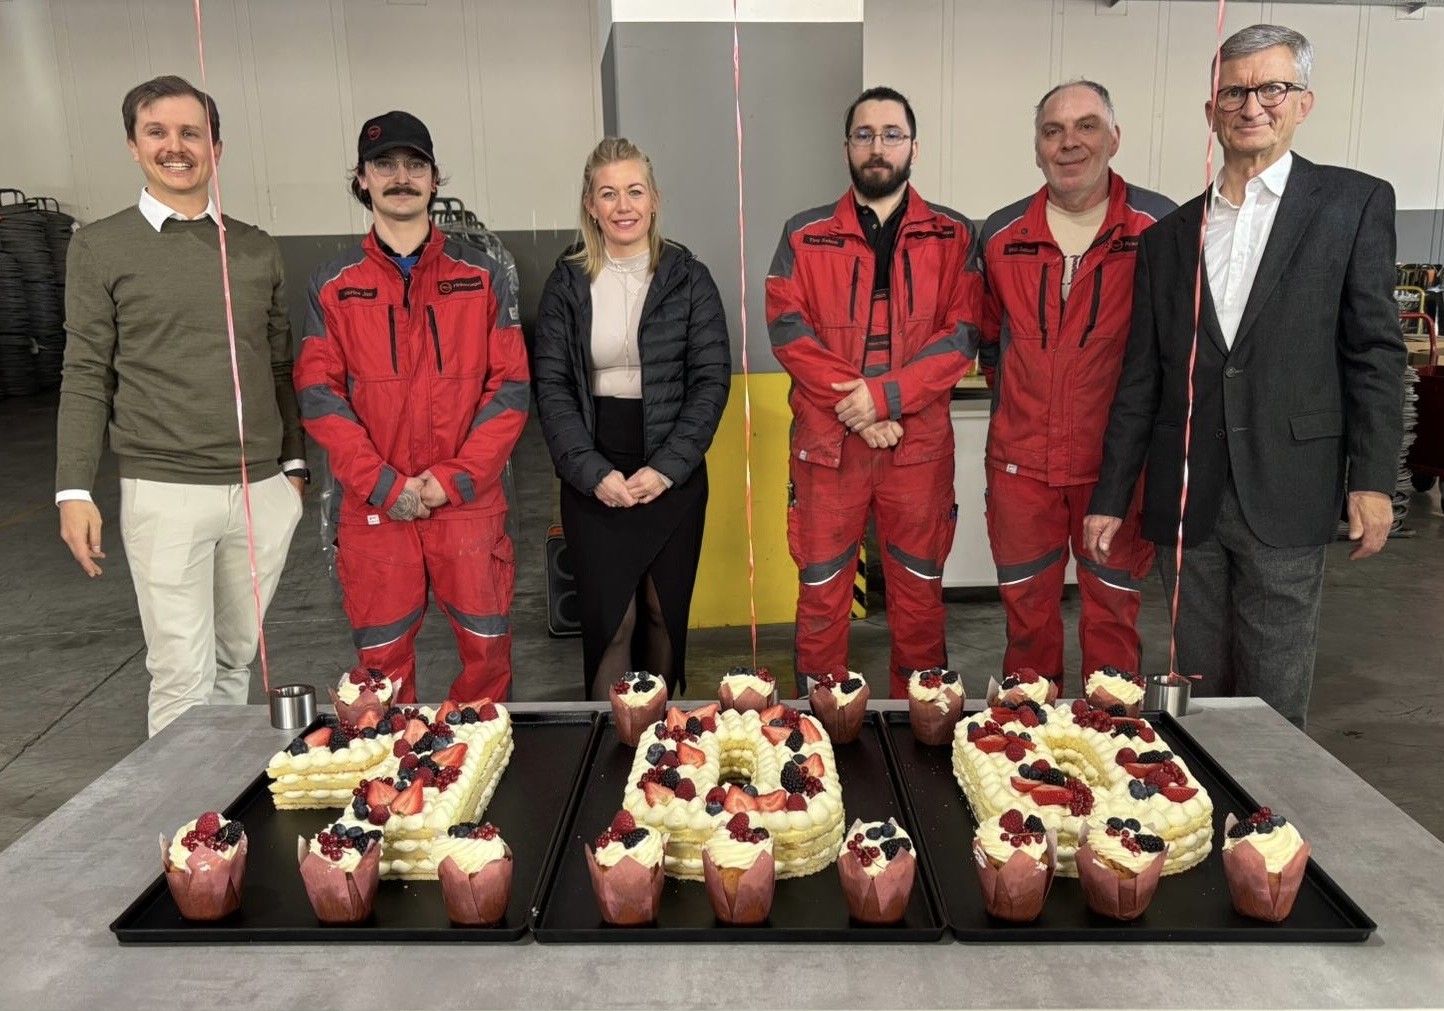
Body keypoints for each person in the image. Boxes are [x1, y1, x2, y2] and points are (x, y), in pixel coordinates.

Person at [1084, 25, 1404, 728]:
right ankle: (1199, 811)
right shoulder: (1169, 238)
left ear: (1303, 102)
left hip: (1288, 487)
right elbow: (1142, 378)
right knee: (1194, 682)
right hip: (1188, 493)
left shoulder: (1350, 205)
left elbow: (1375, 354)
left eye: (1272, 88)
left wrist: (1374, 480)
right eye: (1234, 90)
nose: (1251, 104)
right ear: (1211, 109)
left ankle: (1265, 822)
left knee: (1273, 690)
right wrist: (1111, 494)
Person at [56, 75, 305, 736]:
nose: (176, 146)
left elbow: (280, 362)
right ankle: (185, 832)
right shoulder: (101, 246)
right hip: (165, 491)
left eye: (191, 133)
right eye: (157, 132)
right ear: (134, 147)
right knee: (181, 673)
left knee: (234, 660)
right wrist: (73, 488)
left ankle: (218, 820)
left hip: (261, 491)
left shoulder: (254, 248)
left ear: (215, 148)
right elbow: (84, 369)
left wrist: (294, 466)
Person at [295, 111, 529, 704]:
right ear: (362, 178)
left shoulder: (482, 276)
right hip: (378, 511)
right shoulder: (332, 285)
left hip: (466, 505)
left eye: (415, 165)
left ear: (433, 178)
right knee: (382, 672)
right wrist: (380, 483)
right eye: (385, 165)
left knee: (485, 656)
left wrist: (451, 481)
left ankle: (472, 771)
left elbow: (510, 388)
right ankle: (397, 784)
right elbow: (319, 395)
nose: (401, 177)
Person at [766, 86, 982, 699]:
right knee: (821, 597)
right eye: (865, 134)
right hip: (828, 448)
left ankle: (920, 731)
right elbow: (789, 332)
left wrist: (882, 400)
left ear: (914, 145)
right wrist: (863, 413)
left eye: (891, 133)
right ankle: (819, 734)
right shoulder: (803, 235)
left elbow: (961, 337)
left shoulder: (953, 235)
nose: (878, 146)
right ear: (846, 149)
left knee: (919, 600)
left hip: (915, 448)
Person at [978, 81, 1175, 692]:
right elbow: (990, 341)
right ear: (1037, 149)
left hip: (1112, 467)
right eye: (1053, 131)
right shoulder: (1000, 234)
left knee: (1113, 613)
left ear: (1114, 138)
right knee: (1026, 618)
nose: (1070, 143)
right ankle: (1023, 751)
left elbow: (1171, 352)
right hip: (1020, 468)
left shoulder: (1159, 228)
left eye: (1087, 126)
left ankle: (1112, 748)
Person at [534, 137, 730, 701]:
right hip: (594, 468)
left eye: (635, 191)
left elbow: (710, 381)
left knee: (661, 615)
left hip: (673, 468)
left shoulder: (690, 279)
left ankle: (665, 760)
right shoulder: (568, 284)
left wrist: (668, 468)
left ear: (655, 199)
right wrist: (591, 472)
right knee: (612, 622)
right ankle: (604, 752)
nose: (624, 205)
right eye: (609, 193)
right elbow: (553, 388)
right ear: (591, 205)